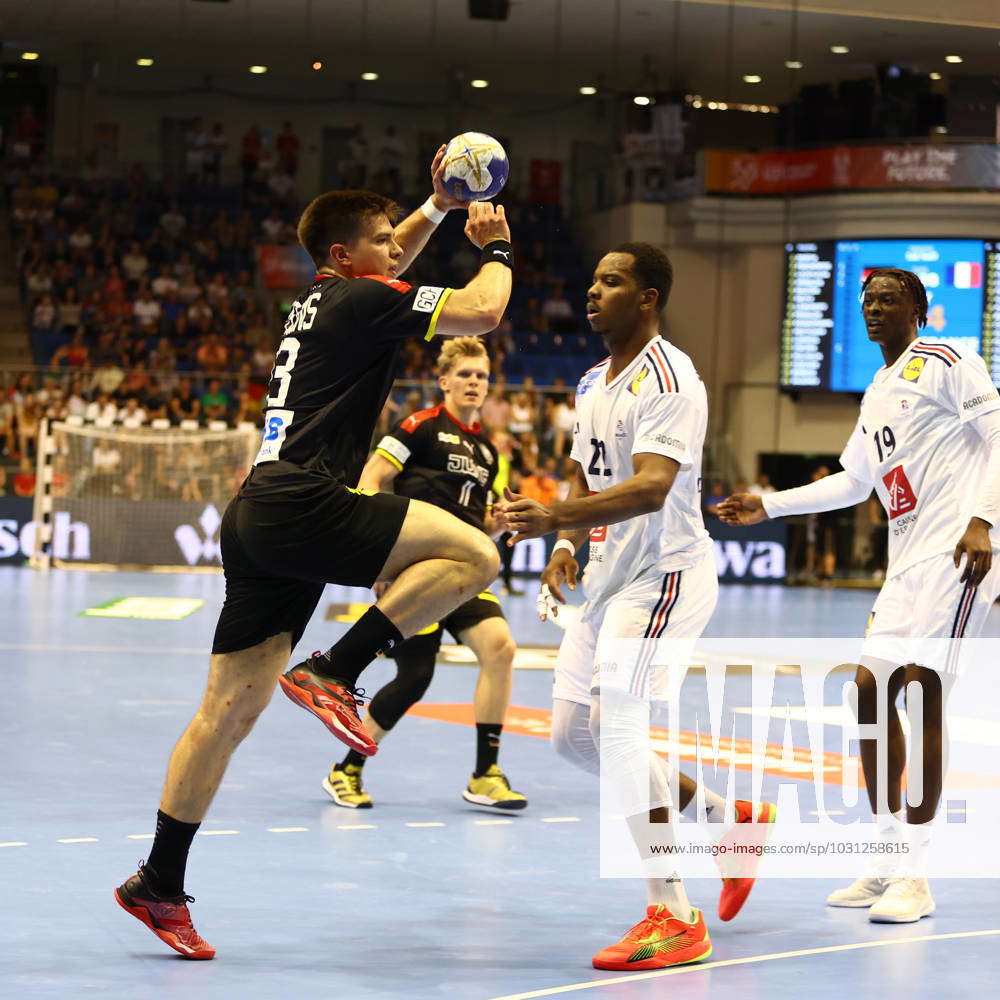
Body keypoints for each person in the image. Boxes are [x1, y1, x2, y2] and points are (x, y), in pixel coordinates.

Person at [114, 148, 515, 960]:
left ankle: (159, 880)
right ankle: (339, 669)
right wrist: (496, 243)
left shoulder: (324, 295)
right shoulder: (365, 298)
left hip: (258, 512)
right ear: (347, 256)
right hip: (304, 502)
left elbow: (388, 247)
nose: (397, 248)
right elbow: (481, 310)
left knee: (227, 712)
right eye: (382, 239)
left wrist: (435, 204)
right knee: (475, 555)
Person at [496, 243, 774, 971]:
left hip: (665, 577)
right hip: (610, 576)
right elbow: (589, 469)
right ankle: (730, 818)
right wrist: (573, 543)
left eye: (612, 282)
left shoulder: (671, 377)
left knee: (616, 725)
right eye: (592, 279)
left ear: (648, 297)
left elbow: (651, 487)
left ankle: (673, 914)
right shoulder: (594, 378)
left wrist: (554, 518)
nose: (592, 291)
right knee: (570, 736)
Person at [719, 267, 1000, 923]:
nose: (874, 307)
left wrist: (985, 520)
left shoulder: (949, 358)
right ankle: (886, 855)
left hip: (957, 558)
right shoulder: (875, 390)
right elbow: (852, 481)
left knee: (924, 696)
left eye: (889, 298)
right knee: (868, 695)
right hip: (905, 567)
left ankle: (916, 877)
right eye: (868, 299)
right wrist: (771, 505)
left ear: (919, 309)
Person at [323, 336, 526, 812]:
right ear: (444, 382)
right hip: (418, 568)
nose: (474, 383)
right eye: (465, 375)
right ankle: (346, 769)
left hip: (464, 573)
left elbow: (481, 524)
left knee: (500, 648)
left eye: (481, 376)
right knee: (416, 675)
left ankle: (485, 775)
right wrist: (382, 558)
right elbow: (371, 479)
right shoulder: (418, 426)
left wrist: (501, 526)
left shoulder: (489, 451)